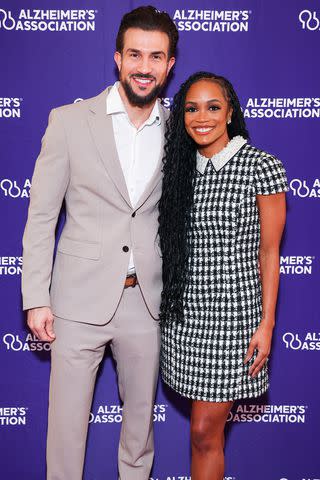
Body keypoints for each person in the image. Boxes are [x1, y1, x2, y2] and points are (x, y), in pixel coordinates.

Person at [21, 6, 178, 480]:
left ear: (170, 65)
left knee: (138, 434)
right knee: (65, 431)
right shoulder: (69, 121)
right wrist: (36, 298)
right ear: (117, 58)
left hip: (147, 302)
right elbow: (42, 216)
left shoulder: (179, 132)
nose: (144, 67)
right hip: (75, 300)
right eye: (135, 55)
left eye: (156, 57)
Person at [159, 71, 288, 480]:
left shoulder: (261, 166)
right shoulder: (180, 169)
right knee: (203, 436)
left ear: (230, 112)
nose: (202, 117)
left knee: (202, 430)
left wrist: (266, 323)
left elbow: (270, 251)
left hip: (234, 320)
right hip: (186, 318)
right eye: (192, 108)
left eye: (213, 107)